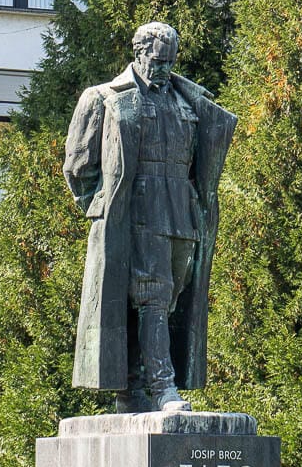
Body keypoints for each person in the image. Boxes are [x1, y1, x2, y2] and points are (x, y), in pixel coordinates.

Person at [64, 22, 236, 412]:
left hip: (182, 210)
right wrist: (109, 210)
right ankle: (163, 387)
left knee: (171, 298)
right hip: (137, 210)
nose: (164, 68)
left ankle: (131, 387)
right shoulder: (104, 98)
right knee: (153, 294)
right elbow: (78, 167)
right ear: (139, 53)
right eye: (158, 61)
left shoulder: (187, 100)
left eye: (170, 61)